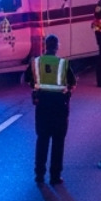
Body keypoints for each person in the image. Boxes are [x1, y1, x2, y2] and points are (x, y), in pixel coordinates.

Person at [24, 34, 76, 183]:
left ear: (45, 46)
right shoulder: (63, 63)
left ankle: (39, 174)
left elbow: (27, 78)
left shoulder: (36, 62)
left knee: (42, 139)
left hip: (42, 104)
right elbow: (72, 82)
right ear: (57, 46)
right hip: (60, 105)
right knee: (58, 141)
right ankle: (55, 176)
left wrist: (36, 88)